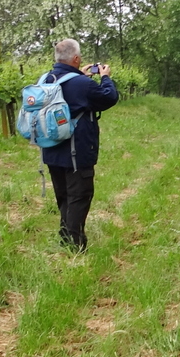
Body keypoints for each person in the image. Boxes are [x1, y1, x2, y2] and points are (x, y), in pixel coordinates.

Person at [41, 38, 119, 251]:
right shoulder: (83, 84)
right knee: (79, 196)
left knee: (63, 196)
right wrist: (105, 77)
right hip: (76, 151)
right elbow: (109, 97)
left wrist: (80, 76)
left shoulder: (46, 80)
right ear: (76, 58)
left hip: (51, 148)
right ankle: (74, 245)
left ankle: (65, 237)